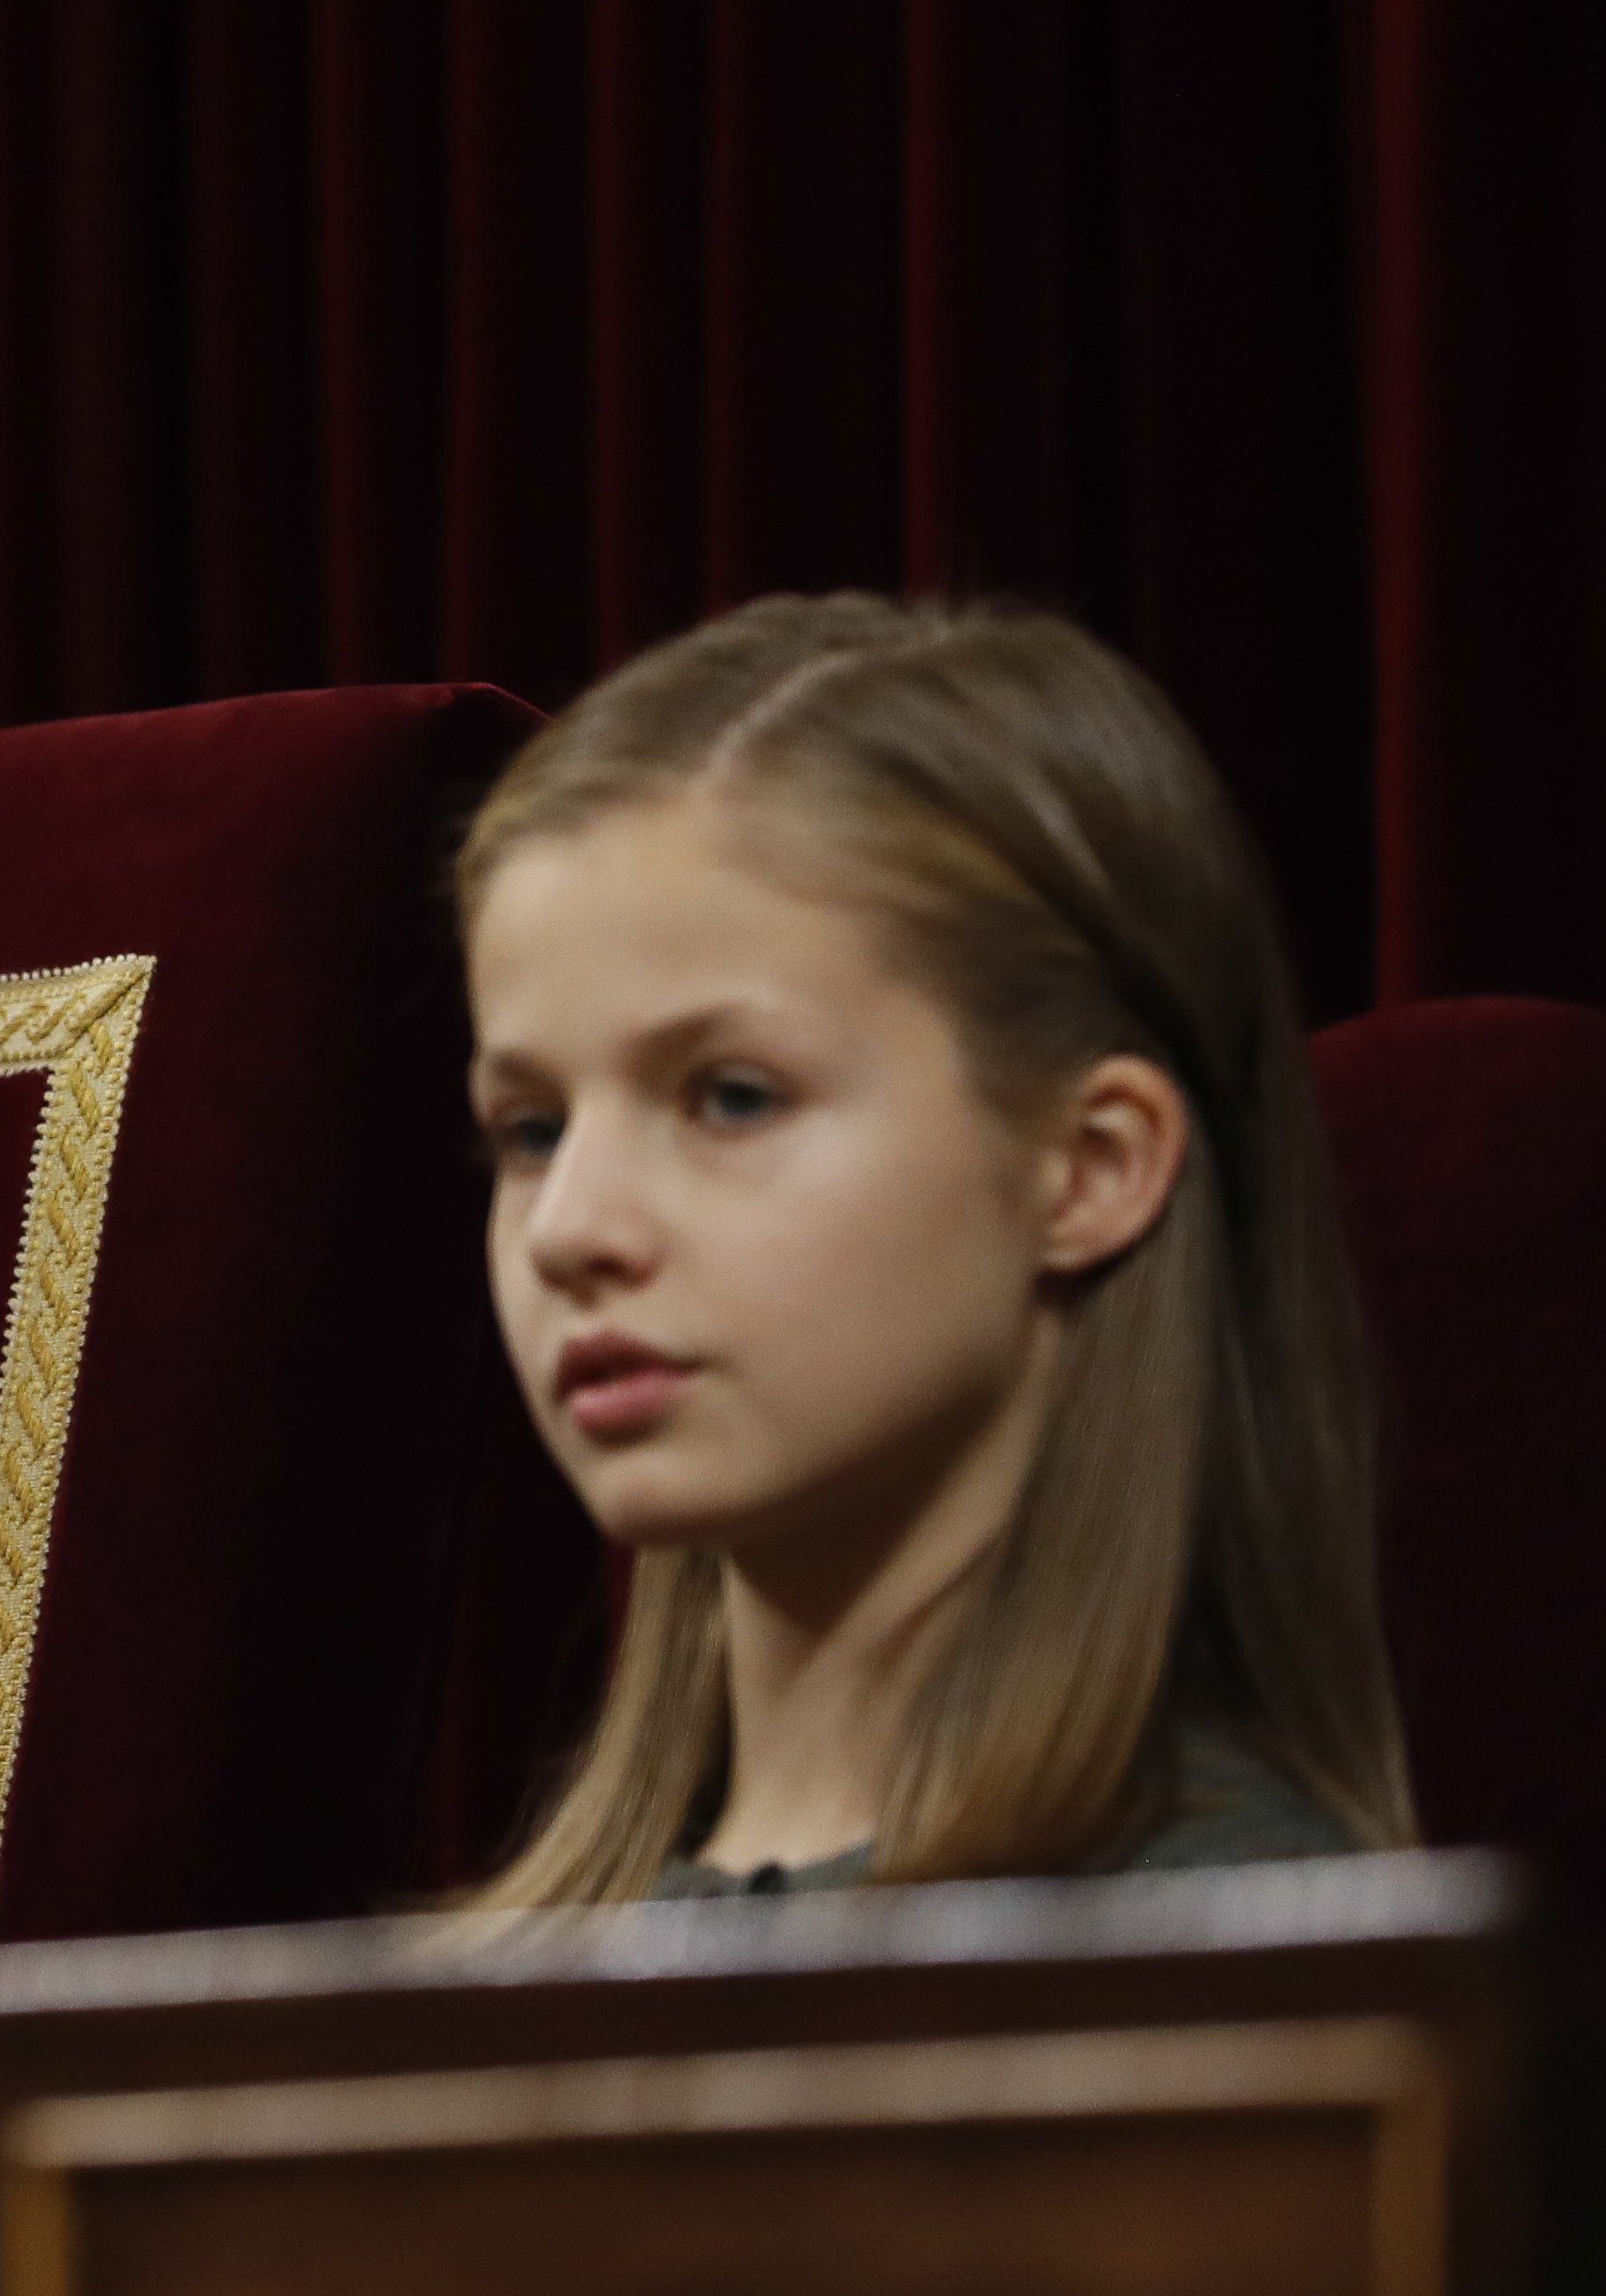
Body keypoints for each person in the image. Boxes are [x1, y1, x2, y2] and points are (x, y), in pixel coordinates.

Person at [455, 594, 1415, 1906]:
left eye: (732, 1097)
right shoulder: (479, 2014)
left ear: (1091, 1168)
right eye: (531, 1129)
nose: (570, 1227)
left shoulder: (1254, 1980)